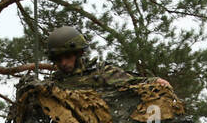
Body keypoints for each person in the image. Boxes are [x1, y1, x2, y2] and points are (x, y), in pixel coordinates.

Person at [43, 25, 171, 91]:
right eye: (58, 60)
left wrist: (154, 81)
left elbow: (132, 83)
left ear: (79, 53)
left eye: (67, 56)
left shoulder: (101, 73)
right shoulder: (53, 84)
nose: (63, 63)